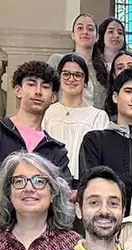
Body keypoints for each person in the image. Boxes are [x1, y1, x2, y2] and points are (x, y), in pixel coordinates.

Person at [0, 61, 71, 226]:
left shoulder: (56, 150)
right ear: (18, 90)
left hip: (42, 236)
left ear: (53, 97)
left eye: (45, 87)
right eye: (31, 84)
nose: (38, 91)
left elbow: (62, 192)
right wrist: (28, 198)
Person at [80, 67, 132, 212]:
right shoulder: (94, 140)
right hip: (105, 217)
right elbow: (90, 188)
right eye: (129, 91)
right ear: (115, 97)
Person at [43, 54, 109, 183]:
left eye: (78, 75)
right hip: (50, 179)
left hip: (82, 182)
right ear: (59, 78)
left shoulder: (98, 116)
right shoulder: (47, 112)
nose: (71, 79)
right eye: (66, 74)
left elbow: (102, 156)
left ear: (86, 82)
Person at [48, 13, 98, 107]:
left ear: (97, 37)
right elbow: (47, 91)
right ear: (73, 35)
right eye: (80, 28)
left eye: (90, 29)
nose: (85, 32)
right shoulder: (57, 60)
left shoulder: (102, 68)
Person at [90, 17, 127, 110]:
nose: (116, 35)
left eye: (120, 33)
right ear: (102, 36)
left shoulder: (130, 63)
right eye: (111, 32)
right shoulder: (91, 63)